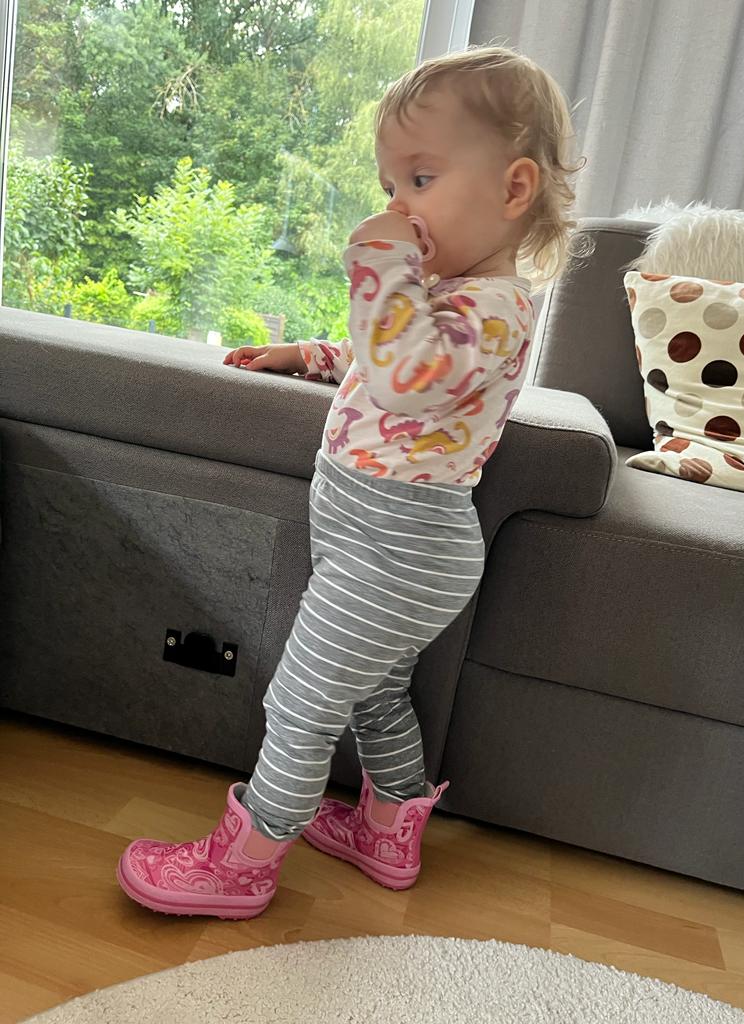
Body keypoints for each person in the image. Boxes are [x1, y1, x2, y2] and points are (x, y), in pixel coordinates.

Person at [116, 44, 584, 920]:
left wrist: (378, 260)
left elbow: (407, 374)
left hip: (399, 546)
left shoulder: (498, 308)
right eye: (389, 185)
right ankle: (385, 832)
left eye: (420, 179)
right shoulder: (446, 302)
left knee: (299, 701)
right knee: (376, 694)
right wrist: (312, 355)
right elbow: (382, 362)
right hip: (377, 539)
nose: (396, 207)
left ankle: (245, 862)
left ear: (514, 189)